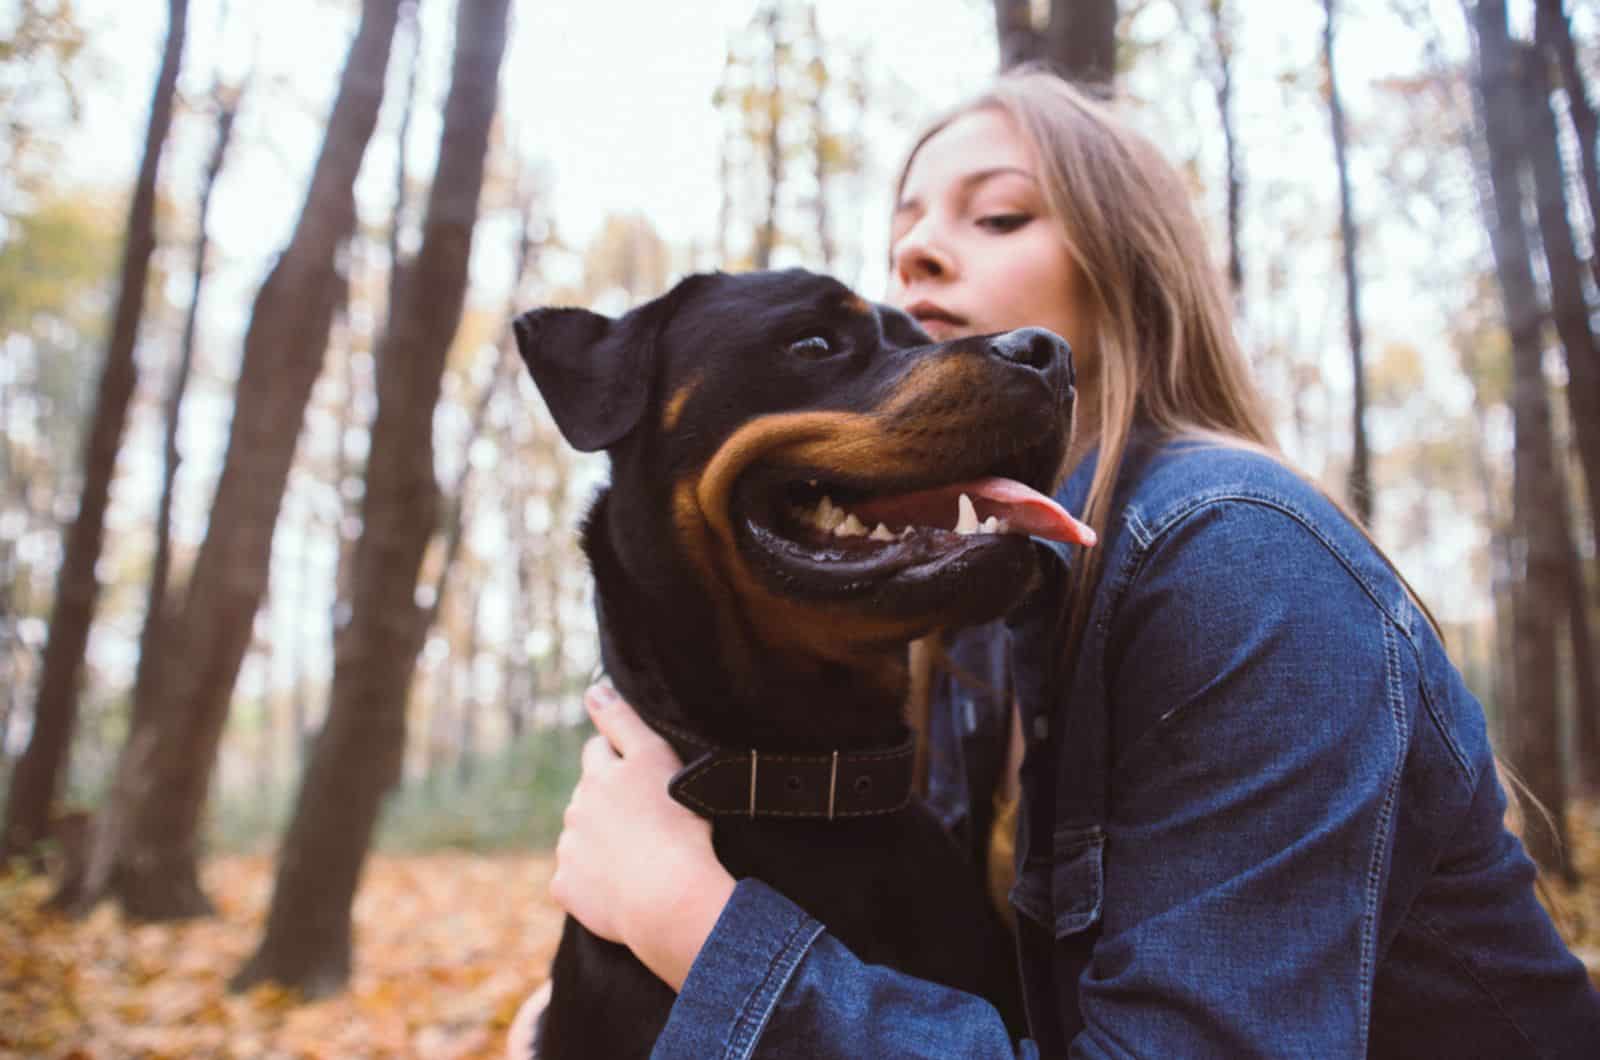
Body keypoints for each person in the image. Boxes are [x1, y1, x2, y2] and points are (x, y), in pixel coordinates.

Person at [521, 70, 1600, 1057]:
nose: (918, 258)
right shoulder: (970, 622)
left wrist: (691, 927)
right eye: (902, 233)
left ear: (1128, 279)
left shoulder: (1236, 555)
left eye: (996, 215)